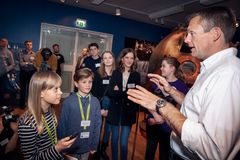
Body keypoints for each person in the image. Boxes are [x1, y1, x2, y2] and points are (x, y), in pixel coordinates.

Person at [127, 6, 240, 160]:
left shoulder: (228, 74)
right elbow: (197, 108)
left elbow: (213, 150)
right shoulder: (212, 69)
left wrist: (161, 104)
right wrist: (171, 91)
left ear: (215, 34)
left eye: (192, 33)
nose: (186, 40)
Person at [18, 71, 76, 159]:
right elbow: (31, 158)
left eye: (59, 88)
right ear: (41, 92)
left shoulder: (50, 112)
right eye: (55, 89)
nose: (60, 92)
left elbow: (48, 144)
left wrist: (62, 153)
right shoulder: (27, 124)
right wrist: (58, 148)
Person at [145, 57, 188, 160]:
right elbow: (149, 101)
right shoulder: (157, 82)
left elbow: (181, 110)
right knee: (149, 153)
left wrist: (161, 119)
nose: (161, 68)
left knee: (164, 155)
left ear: (172, 68)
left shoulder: (181, 86)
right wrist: (154, 116)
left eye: (164, 66)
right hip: (152, 122)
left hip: (168, 127)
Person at [58, 68, 102, 160]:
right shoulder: (68, 102)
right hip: (70, 147)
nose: (88, 85)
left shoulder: (95, 102)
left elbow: (97, 126)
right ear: (76, 84)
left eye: (90, 82)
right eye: (84, 82)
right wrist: (62, 145)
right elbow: (63, 124)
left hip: (87, 146)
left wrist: (94, 145)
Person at [107, 48, 140, 160]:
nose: (129, 60)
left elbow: (136, 95)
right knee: (114, 140)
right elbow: (111, 92)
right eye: (127, 57)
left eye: (132, 58)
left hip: (129, 112)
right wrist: (126, 92)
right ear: (122, 59)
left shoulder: (136, 75)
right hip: (115, 111)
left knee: (124, 143)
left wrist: (120, 91)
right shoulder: (116, 73)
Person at [93, 51, 116, 160]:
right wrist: (100, 108)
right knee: (98, 127)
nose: (107, 60)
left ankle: (103, 150)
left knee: (108, 129)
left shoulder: (117, 73)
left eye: (110, 57)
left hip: (113, 106)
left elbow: (119, 89)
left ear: (113, 59)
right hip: (100, 105)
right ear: (102, 60)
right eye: (105, 58)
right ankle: (96, 151)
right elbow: (94, 91)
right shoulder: (97, 73)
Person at [19, 40, 36, 107]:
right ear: (25, 45)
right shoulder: (21, 53)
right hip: (23, 73)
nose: (29, 46)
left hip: (31, 73)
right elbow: (21, 64)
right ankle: (22, 105)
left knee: (30, 90)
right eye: (28, 44)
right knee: (22, 89)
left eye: (30, 44)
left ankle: (29, 105)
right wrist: (28, 63)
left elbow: (35, 64)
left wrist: (25, 62)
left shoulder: (34, 54)